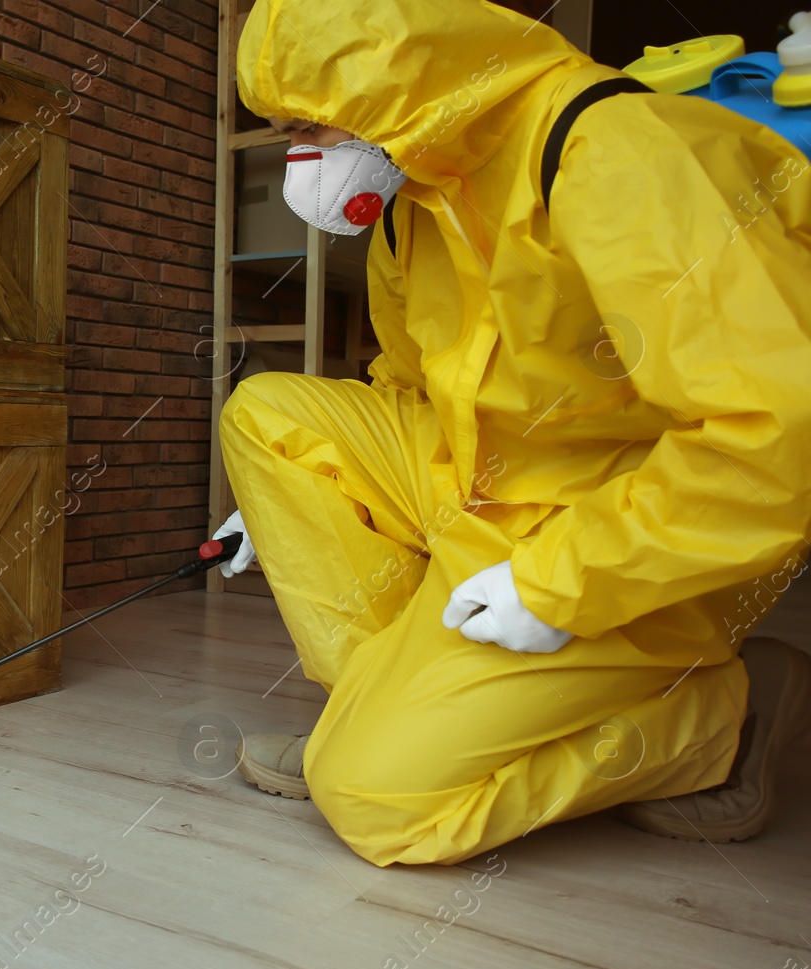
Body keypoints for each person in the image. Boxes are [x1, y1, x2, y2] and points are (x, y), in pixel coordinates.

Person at [217, 0, 811, 867]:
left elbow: (774, 430)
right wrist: (280, 503)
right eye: (282, 131)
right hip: (486, 491)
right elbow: (409, 388)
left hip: (622, 529)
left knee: (379, 803)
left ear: (396, 79)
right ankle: (391, 712)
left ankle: (724, 713)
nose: (301, 158)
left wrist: (561, 584)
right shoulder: (418, 196)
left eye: (310, 125)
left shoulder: (615, 152)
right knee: (269, 419)